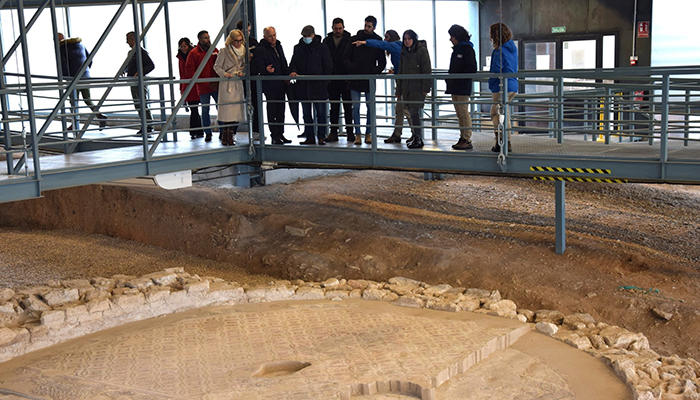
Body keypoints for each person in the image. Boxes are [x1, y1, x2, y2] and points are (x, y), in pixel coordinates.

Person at [353, 30, 411, 143]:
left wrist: (365, 42)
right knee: (399, 109)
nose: (385, 39)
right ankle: (397, 133)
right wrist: (395, 71)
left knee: (405, 109)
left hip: (405, 83)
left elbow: (381, 44)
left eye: (387, 37)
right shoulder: (399, 47)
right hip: (401, 82)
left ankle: (416, 134)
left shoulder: (395, 45)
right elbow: (402, 64)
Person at [342, 15, 386, 145]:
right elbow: (345, 57)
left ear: (374, 27)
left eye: (369, 26)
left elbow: (382, 61)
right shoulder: (355, 39)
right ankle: (358, 134)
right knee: (356, 106)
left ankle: (368, 134)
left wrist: (374, 72)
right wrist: (351, 68)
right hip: (356, 77)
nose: (366, 28)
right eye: (366, 25)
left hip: (369, 78)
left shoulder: (377, 41)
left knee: (370, 107)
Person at [289, 25, 333, 145]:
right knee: (306, 114)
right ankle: (310, 137)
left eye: (308, 35)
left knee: (321, 113)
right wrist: (293, 71)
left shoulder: (322, 48)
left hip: (318, 86)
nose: (306, 38)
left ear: (313, 35)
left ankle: (321, 136)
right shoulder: (298, 48)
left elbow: (328, 65)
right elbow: (293, 63)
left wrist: (324, 82)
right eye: (304, 36)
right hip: (304, 87)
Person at [57, 33, 107, 130]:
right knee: (87, 99)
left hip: (73, 78)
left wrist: (65, 77)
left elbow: (63, 64)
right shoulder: (81, 45)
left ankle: (75, 123)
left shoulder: (62, 48)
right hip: (85, 77)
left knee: (73, 101)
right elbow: (90, 60)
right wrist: (85, 71)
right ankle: (100, 115)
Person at [254, 26, 291, 145]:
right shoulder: (260, 49)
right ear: (264, 37)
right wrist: (266, 70)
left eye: (274, 35)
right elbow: (258, 66)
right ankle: (274, 135)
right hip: (270, 85)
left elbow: (283, 61)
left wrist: (287, 74)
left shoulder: (278, 46)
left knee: (281, 110)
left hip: (280, 83)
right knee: (272, 110)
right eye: (270, 36)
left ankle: (280, 133)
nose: (273, 38)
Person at [396, 29, 432, 149]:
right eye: (405, 39)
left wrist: (426, 87)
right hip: (407, 88)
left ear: (414, 39)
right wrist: (399, 90)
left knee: (414, 113)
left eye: (409, 39)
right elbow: (401, 71)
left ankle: (418, 138)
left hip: (417, 87)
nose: (407, 41)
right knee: (412, 113)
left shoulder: (421, 51)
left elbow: (426, 69)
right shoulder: (404, 52)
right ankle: (417, 137)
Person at [445, 24, 477, 150]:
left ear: (457, 36)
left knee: (463, 112)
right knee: (459, 113)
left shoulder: (467, 50)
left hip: (462, 86)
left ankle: (467, 138)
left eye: (452, 36)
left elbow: (472, 69)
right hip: (455, 86)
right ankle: (462, 137)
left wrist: (458, 77)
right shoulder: (456, 50)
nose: (450, 39)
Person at [213, 29, 247, 146]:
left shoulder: (243, 50)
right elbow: (217, 66)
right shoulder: (224, 51)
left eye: (240, 40)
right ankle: (225, 135)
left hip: (237, 83)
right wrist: (224, 74)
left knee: (236, 112)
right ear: (231, 40)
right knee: (227, 112)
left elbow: (243, 65)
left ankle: (231, 135)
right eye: (236, 41)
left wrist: (242, 72)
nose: (239, 43)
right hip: (227, 84)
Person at [488, 22, 518, 153]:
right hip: (512, 85)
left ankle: (502, 141)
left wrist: (491, 82)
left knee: (496, 113)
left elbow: (495, 69)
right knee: (505, 113)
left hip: (500, 86)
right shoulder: (512, 49)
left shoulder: (498, 51)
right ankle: (506, 141)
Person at [322, 17, 352, 143]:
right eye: (336, 28)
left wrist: (349, 74)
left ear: (343, 28)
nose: (338, 31)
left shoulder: (349, 40)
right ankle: (333, 132)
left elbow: (352, 57)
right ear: (332, 28)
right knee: (333, 107)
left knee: (348, 107)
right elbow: (324, 59)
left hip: (345, 79)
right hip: (332, 79)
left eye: (340, 28)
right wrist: (327, 75)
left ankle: (350, 133)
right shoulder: (326, 41)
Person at [185, 30, 219, 142]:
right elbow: (190, 70)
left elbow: (220, 64)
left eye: (208, 37)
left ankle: (223, 130)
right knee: (205, 110)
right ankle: (207, 132)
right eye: (205, 38)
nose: (208, 40)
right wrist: (200, 81)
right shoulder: (194, 53)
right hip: (203, 86)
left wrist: (217, 79)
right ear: (199, 39)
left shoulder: (214, 50)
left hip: (215, 84)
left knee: (220, 108)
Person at [125, 31, 155, 134]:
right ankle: (145, 124)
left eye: (128, 39)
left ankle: (148, 125)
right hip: (133, 82)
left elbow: (151, 65)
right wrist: (124, 70)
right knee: (138, 104)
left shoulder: (141, 52)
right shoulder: (131, 52)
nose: (126, 42)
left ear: (133, 39)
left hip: (140, 82)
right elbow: (129, 65)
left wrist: (140, 73)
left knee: (142, 104)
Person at [177, 37, 204, 140]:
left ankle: (195, 131)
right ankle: (198, 131)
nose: (183, 48)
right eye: (181, 47)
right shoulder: (181, 58)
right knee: (194, 109)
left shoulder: (192, 55)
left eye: (185, 46)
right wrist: (181, 88)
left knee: (194, 108)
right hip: (187, 85)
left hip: (194, 85)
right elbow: (181, 73)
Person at [237, 19, 260, 138]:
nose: (248, 33)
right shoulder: (233, 44)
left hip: (253, 77)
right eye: (245, 31)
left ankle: (257, 130)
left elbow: (259, 57)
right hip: (239, 78)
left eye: (249, 30)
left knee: (256, 103)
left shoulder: (253, 42)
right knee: (237, 105)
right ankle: (230, 132)